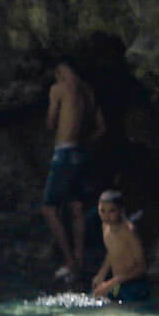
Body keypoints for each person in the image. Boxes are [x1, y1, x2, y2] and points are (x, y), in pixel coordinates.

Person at [44, 59, 106, 281]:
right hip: (81, 153)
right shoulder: (87, 91)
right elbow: (101, 128)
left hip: (63, 153)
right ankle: (79, 260)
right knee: (76, 206)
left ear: (59, 72)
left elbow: (51, 123)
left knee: (49, 208)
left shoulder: (58, 88)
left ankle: (70, 263)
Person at [92, 190, 150, 302]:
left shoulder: (129, 231)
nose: (106, 216)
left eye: (111, 211)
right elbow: (112, 251)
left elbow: (142, 267)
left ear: (121, 210)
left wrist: (112, 282)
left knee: (122, 315)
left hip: (135, 285)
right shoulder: (105, 226)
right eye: (102, 211)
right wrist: (102, 274)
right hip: (117, 284)